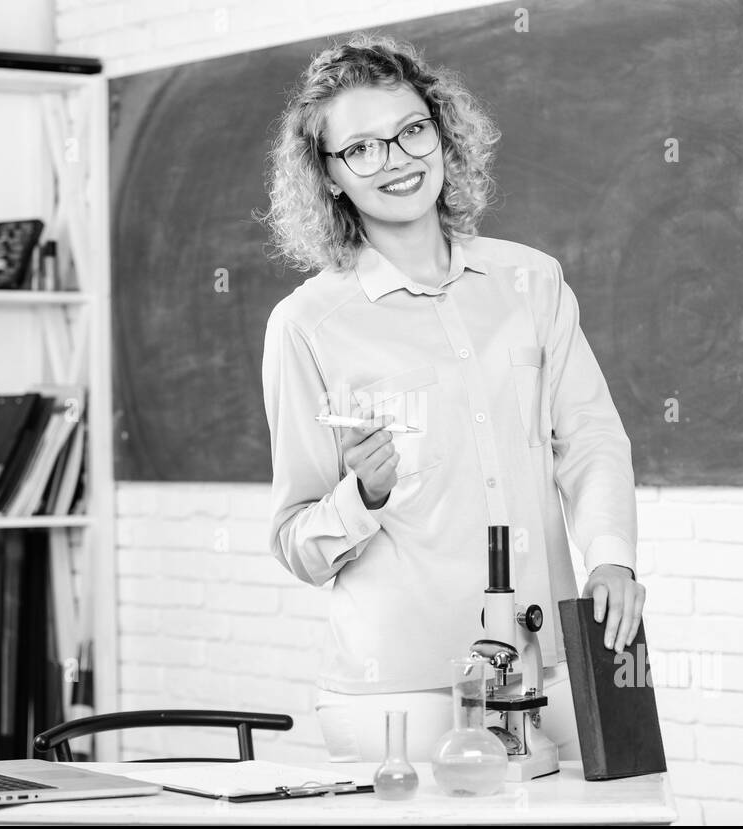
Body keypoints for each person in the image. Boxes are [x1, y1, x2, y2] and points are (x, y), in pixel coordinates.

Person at [260, 34, 644, 763]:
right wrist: (361, 497)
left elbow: (590, 439)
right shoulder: (307, 325)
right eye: (362, 148)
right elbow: (297, 544)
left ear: (442, 133)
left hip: (552, 671)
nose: (397, 159)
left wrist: (612, 560)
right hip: (400, 695)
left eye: (410, 131)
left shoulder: (532, 283)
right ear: (330, 176)